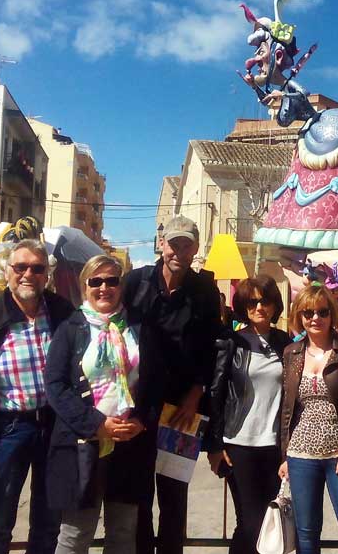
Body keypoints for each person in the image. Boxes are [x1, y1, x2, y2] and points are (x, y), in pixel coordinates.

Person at [0, 238, 75, 554]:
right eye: (20, 267)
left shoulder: (63, 313)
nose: (28, 274)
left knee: (49, 522)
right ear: (7, 271)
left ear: (46, 275)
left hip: (53, 428)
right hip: (7, 429)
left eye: (36, 268)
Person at [45, 255, 163, 554]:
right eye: (95, 281)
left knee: (123, 533)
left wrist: (141, 420)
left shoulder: (139, 326)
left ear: (120, 285)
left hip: (129, 444)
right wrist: (98, 424)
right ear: (85, 287)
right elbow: (56, 386)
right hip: (83, 443)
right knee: (75, 534)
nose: (104, 288)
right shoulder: (71, 328)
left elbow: (154, 382)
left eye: (111, 280)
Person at [121, 215, 222, 554]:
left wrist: (196, 394)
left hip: (183, 408)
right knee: (138, 493)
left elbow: (212, 347)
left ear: (195, 249)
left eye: (187, 244)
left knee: (174, 496)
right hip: (139, 404)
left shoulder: (205, 290)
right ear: (161, 244)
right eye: (174, 243)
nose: (179, 250)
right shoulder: (135, 282)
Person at [279, 283, 338, 554]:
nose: (315, 318)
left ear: (331, 314)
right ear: (300, 317)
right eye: (308, 313)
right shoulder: (291, 354)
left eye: (321, 312)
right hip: (301, 454)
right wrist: (284, 455)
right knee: (306, 535)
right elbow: (287, 408)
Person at [205, 275, 291, 554]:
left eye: (265, 300)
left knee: (269, 520)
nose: (259, 307)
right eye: (252, 302)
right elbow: (216, 393)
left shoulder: (284, 342)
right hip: (238, 443)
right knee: (250, 522)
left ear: (274, 305)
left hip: (274, 445)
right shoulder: (231, 341)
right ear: (243, 306)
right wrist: (215, 445)